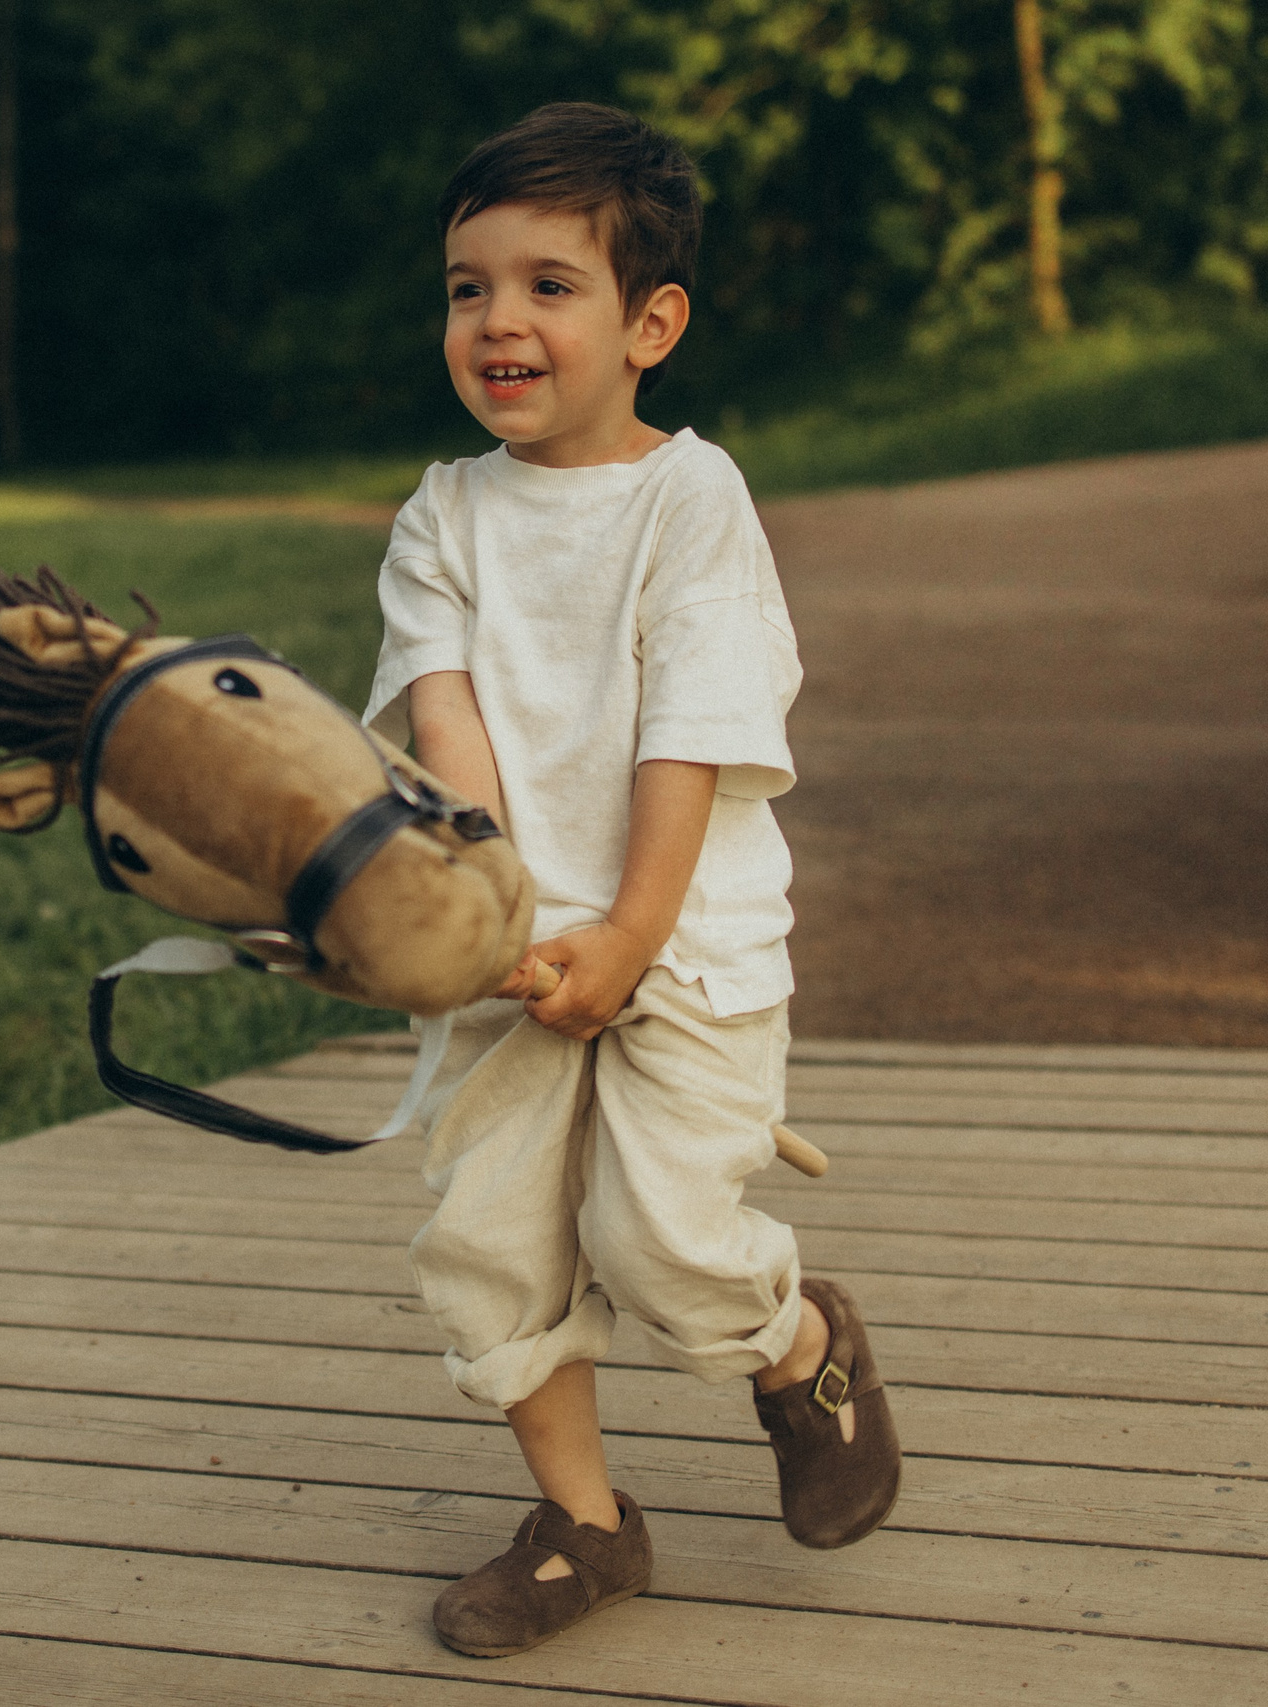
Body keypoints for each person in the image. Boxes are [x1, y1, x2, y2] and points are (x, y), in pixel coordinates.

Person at [362, 101, 904, 1660]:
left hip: (686, 942)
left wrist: (630, 934)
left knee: (666, 1244)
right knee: (491, 1249)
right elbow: (445, 712)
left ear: (650, 320)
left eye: (548, 283)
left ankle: (799, 1348)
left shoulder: (692, 502)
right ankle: (584, 1527)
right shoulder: (442, 514)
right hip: (509, 954)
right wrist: (495, 912)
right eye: (468, 286)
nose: (498, 320)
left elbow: (694, 734)